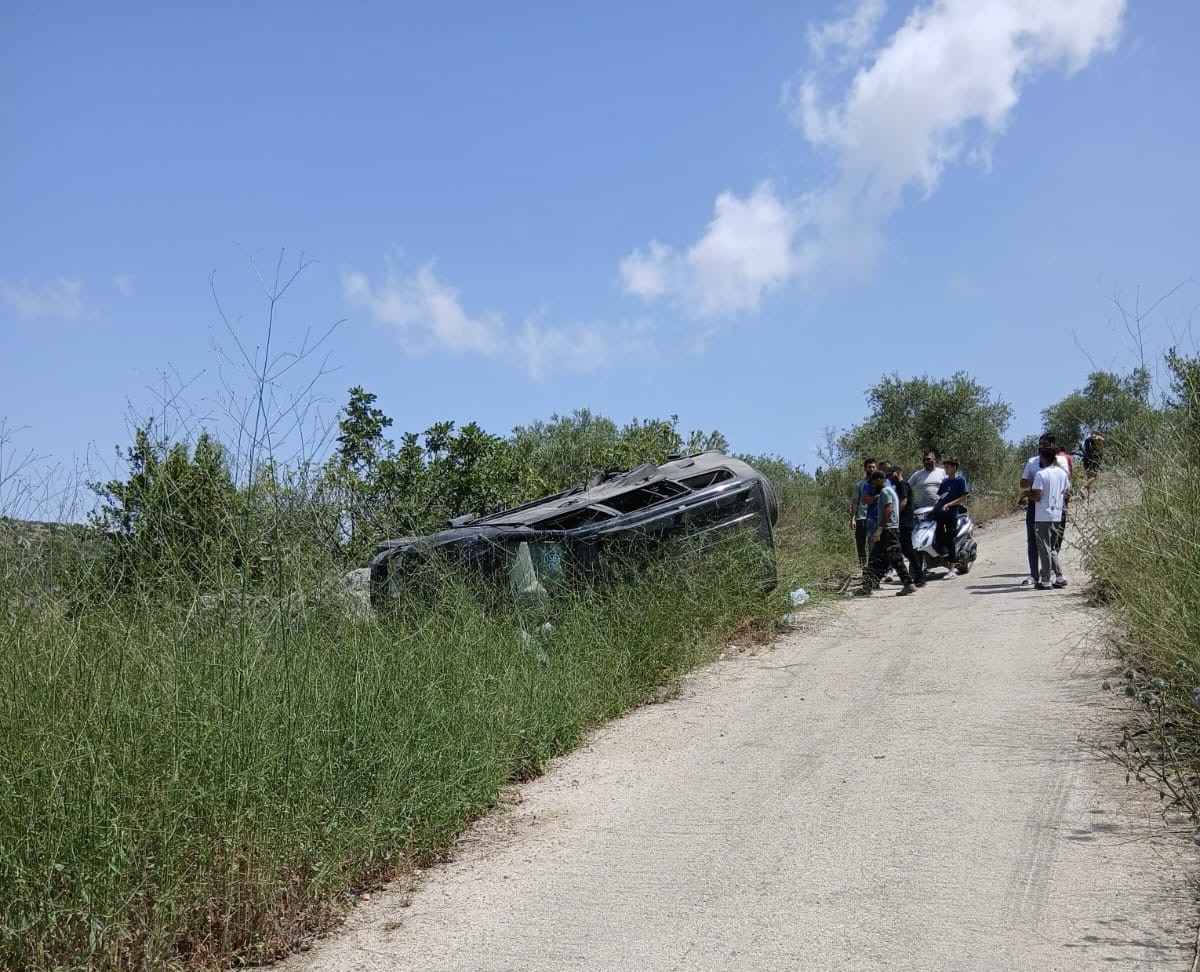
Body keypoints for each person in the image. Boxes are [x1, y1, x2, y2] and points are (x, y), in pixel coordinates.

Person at [1018, 433, 1070, 587]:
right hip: (1053, 509)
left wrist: (1028, 493)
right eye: (1040, 444)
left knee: (1045, 545)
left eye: (1044, 444)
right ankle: (1056, 576)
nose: (1041, 446)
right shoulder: (1035, 463)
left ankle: (1046, 579)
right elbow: (1067, 489)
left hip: (1043, 509)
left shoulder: (1053, 467)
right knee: (1045, 544)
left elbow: (1038, 495)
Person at [855, 469, 917, 597]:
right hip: (888, 530)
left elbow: (888, 509)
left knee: (895, 558)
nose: (872, 486)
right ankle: (867, 586)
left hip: (888, 530)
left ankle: (908, 583)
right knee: (876, 560)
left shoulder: (885, 491)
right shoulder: (889, 491)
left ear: (879, 480)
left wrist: (880, 529)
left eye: (873, 483)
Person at [933, 457, 969, 578]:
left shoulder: (960, 480)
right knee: (938, 536)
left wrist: (949, 504)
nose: (946, 470)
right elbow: (940, 496)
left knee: (950, 540)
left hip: (952, 514)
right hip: (941, 513)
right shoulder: (944, 482)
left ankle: (952, 569)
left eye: (948, 467)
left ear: (954, 467)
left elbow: (963, 497)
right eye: (945, 467)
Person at [890, 463, 924, 586]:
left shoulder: (903, 485)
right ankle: (918, 575)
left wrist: (894, 515)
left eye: (892, 473)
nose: (890, 476)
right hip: (903, 522)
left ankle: (919, 576)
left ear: (899, 472)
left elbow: (903, 502)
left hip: (905, 522)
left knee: (908, 550)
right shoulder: (897, 486)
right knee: (906, 550)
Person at [849, 458, 877, 567]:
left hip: (874, 518)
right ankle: (862, 566)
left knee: (873, 544)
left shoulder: (879, 484)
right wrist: (852, 519)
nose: (871, 469)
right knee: (860, 544)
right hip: (861, 518)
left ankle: (873, 568)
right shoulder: (859, 485)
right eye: (869, 467)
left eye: (873, 467)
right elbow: (855, 502)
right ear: (865, 468)